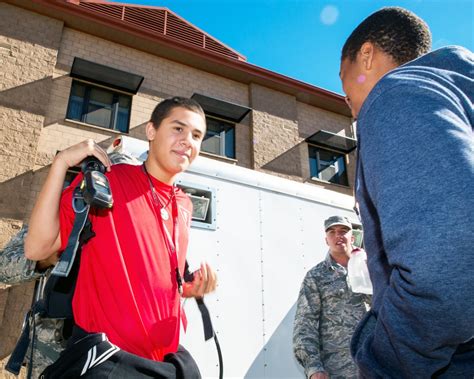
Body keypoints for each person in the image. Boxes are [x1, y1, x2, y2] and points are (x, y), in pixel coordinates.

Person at [24, 96, 217, 377]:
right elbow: (36, 249)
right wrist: (61, 164)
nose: (188, 141)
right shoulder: (109, 181)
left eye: (197, 135)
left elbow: (154, 276)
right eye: (178, 129)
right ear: (151, 131)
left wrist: (190, 288)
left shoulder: (184, 203)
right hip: (111, 361)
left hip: (166, 361)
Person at [339, 7, 474, 378]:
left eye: (343, 77)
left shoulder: (394, 97)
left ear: (366, 55)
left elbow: (449, 265)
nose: (344, 96)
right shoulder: (454, 98)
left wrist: (385, 363)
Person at [293, 215, 371, 379]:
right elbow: (305, 325)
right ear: (326, 239)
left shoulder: (369, 268)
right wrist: (314, 368)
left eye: (343, 231)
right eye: (332, 232)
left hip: (372, 365)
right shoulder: (316, 276)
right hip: (336, 371)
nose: (338, 236)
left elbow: (387, 309)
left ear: (353, 237)